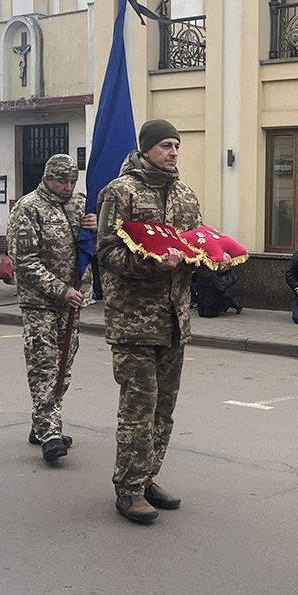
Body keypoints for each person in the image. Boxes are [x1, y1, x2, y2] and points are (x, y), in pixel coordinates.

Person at [97, 119, 204, 524]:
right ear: (146, 150)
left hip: (174, 320)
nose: (173, 152)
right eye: (165, 145)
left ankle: (146, 477)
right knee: (138, 408)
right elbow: (106, 252)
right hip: (133, 321)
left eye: (177, 145)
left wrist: (211, 260)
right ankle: (127, 490)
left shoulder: (185, 194)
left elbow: (196, 243)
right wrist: (151, 264)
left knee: (164, 409)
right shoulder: (120, 192)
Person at [9, 154, 96, 463]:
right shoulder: (29, 208)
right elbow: (25, 261)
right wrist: (61, 291)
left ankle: (42, 422)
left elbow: (89, 245)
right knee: (44, 366)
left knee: (63, 367)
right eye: (62, 181)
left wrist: (95, 226)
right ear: (47, 178)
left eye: (72, 181)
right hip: (41, 303)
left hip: (72, 303)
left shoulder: (78, 204)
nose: (68, 187)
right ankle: (50, 433)